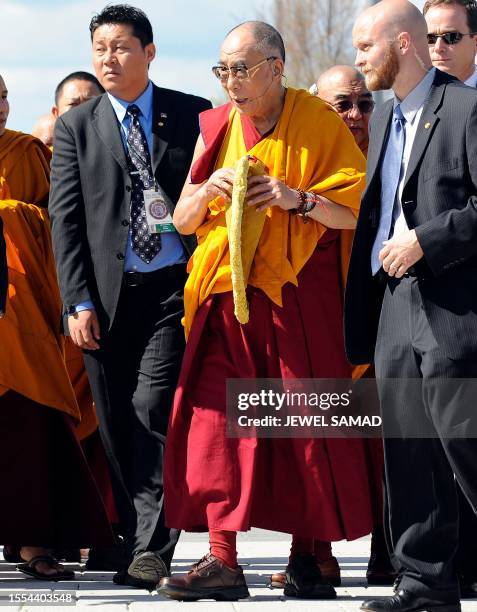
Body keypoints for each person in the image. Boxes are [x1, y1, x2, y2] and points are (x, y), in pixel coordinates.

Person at [158, 21, 374, 603]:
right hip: (228, 298)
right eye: (223, 70)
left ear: (277, 68)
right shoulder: (217, 128)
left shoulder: (319, 123)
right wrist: (207, 192)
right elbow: (180, 219)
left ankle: (311, 553)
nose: (231, 82)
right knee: (216, 426)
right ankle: (223, 559)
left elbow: (356, 211)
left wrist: (295, 198)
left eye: (243, 69)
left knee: (303, 424)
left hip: (300, 299)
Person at [48, 4, 211, 589]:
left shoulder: (192, 115)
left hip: (170, 289)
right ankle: (131, 541)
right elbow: (63, 221)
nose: (108, 58)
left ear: (149, 52)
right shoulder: (77, 126)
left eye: (120, 47)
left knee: (152, 408)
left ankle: (152, 548)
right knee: (116, 422)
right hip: (104, 298)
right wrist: (77, 301)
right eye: (99, 48)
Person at [346, 1, 477, 610]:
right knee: (409, 448)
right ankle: (426, 583)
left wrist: (428, 239)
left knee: (465, 439)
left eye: (365, 46)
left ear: (402, 43)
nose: (358, 59)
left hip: (454, 306)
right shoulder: (388, 121)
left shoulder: (468, 108)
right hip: (393, 305)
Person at [0, 73, 112, 579]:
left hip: (20, 318)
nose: (0, 106)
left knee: (29, 427)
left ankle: (34, 545)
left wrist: (9, 218)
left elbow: (63, 221)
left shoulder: (25, 152)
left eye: (2, 96)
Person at [312, 65, 395, 587]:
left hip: (385, 322)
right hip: (319, 324)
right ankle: (313, 552)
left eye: (365, 105)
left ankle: (388, 552)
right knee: (313, 438)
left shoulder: (391, 155)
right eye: (342, 105)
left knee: (391, 442)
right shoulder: (303, 168)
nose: (357, 116)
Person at [424, 0, 477, 596]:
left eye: (451, 36)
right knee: (433, 447)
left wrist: (425, 241)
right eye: (429, 36)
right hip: (433, 314)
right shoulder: (409, 111)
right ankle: (440, 574)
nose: (438, 47)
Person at [424, 0, 477, 85]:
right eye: (430, 38)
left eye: (451, 37)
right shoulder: (409, 95)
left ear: (475, 42)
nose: (438, 47)